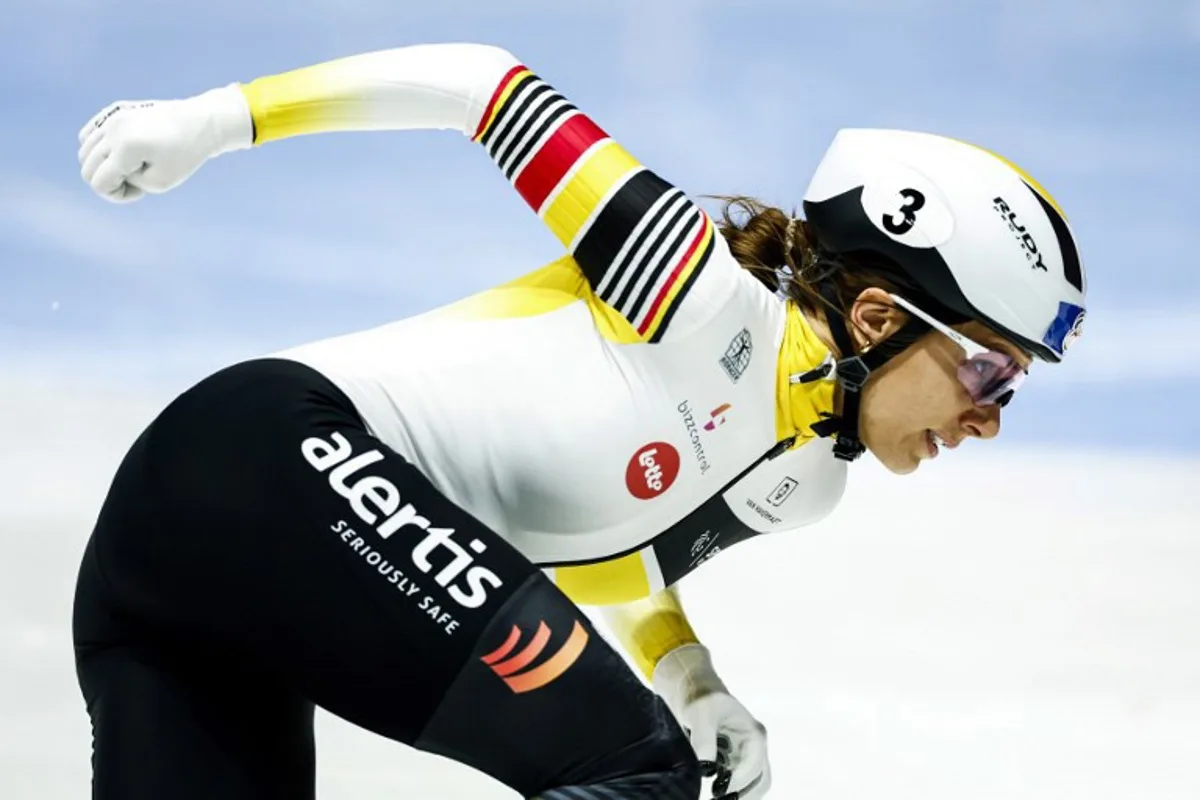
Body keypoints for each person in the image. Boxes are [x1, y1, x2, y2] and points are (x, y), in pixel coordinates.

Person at [72, 42, 1087, 800]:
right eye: (992, 368)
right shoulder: (688, 289)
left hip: (192, 547)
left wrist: (693, 681)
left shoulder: (802, 480)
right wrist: (211, 120)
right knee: (637, 773)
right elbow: (484, 86)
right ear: (878, 316)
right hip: (267, 453)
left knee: (647, 755)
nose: (989, 417)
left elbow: (607, 555)